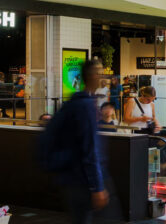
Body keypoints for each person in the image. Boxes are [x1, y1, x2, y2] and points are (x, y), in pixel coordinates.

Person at [43, 59, 109, 223]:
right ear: (93, 76)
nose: (104, 76)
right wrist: (97, 187)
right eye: (101, 72)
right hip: (81, 181)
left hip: (70, 177)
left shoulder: (75, 102)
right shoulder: (86, 106)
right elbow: (90, 150)